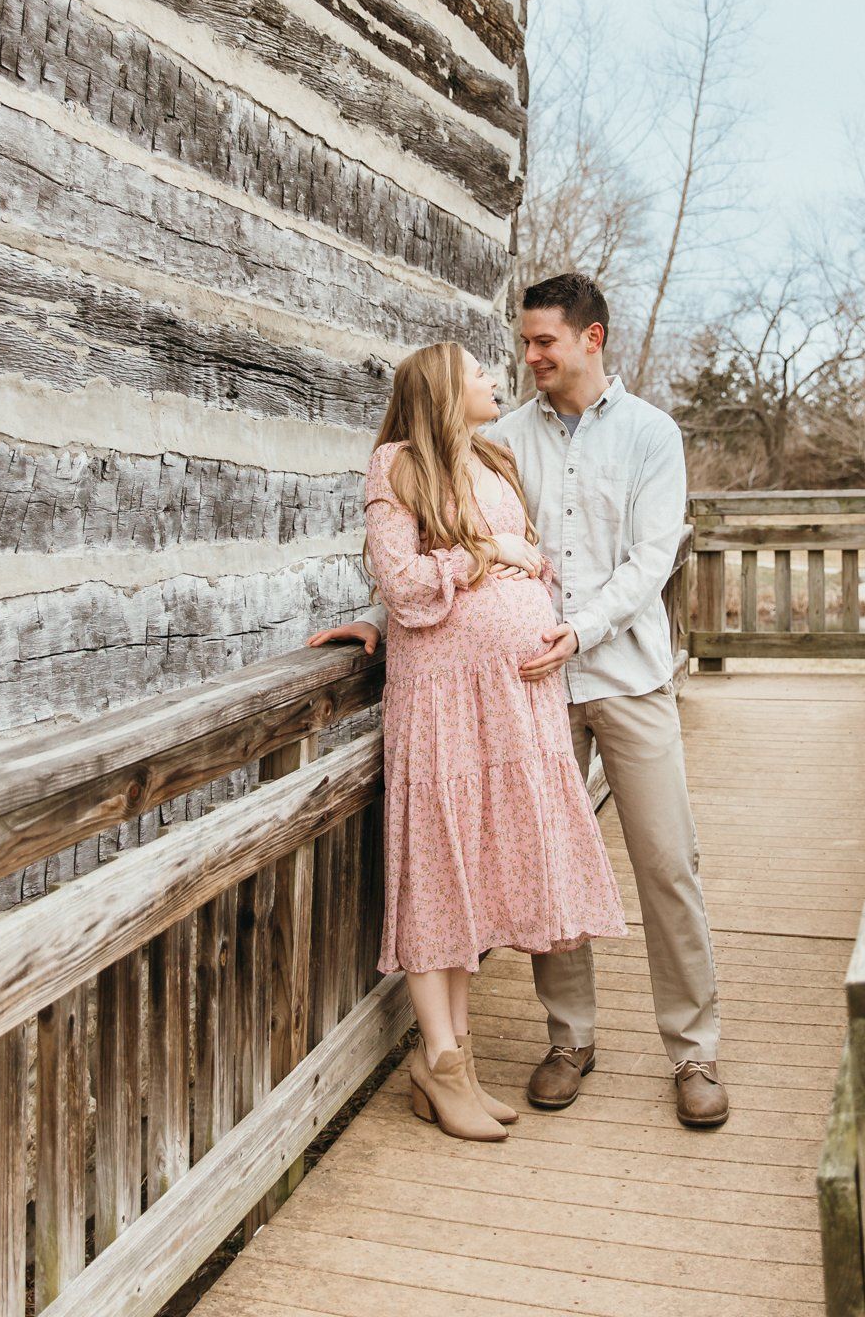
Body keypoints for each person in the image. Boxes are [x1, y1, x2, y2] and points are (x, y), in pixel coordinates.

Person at [312, 274, 728, 1129]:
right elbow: (456, 544)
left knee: (666, 861)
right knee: (542, 858)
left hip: (619, 671)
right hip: (520, 695)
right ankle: (568, 1040)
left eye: (544, 342)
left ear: (591, 339)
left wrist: (578, 630)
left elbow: (652, 561)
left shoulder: (651, 435)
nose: (528, 357)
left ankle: (693, 1052)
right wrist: (390, 625)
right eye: (523, 342)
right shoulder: (502, 441)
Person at [327, 340, 626, 1144]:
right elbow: (407, 583)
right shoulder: (396, 465)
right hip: (443, 701)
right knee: (437, 866)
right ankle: (441, 1060)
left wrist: (521, 582)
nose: (494, 379)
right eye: (478, 373)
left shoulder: (490, 457)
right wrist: (486, 556)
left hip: (511, 699)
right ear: (442, 390)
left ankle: (451, 1064)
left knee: (472, 875)